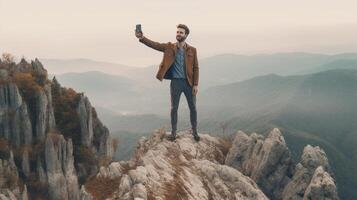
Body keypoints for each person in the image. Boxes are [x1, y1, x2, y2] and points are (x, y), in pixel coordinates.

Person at [135, 24, 200, 142]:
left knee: (193, 108)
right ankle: (174, 133)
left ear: (186, 35)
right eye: (177, 32)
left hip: (189, 83)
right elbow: (155, 45)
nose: (178, 34)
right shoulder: (169, 47)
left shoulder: (192, 50)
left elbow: (196, 67)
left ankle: (194, 131)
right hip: (175, 83)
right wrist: (142, 38)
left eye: (181, 32)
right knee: (174, 108)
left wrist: (195, 84)